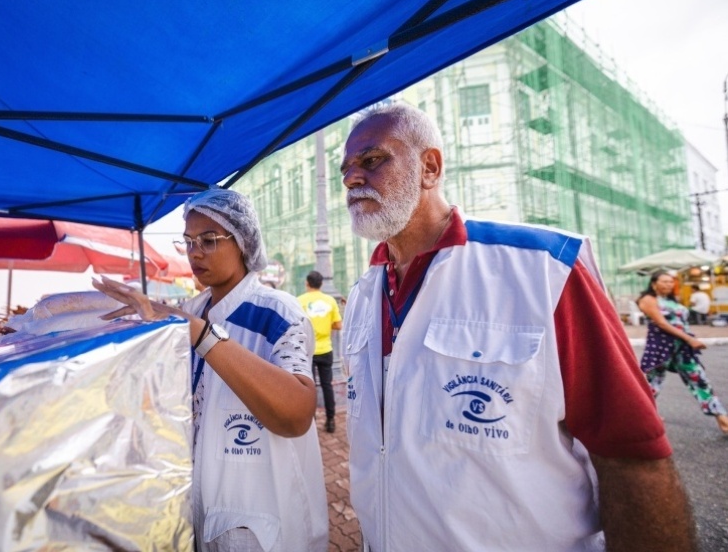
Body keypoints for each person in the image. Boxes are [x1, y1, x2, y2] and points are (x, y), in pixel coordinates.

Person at [339, 103, 697, 551]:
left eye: (372, 161)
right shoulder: (362, 294)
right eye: (346, 170)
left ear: (430, 167)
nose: (352, 179)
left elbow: (630, 455)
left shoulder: (544, 269)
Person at [93, 188, 328, 552]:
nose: (195, 252)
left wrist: (201, 335)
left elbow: (296, 415)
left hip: (261, 521)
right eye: (188, 241)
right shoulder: (192, 308)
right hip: (199, 510)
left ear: (243, 241)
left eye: (209, 240)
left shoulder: (278, 313)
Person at [638, 271, 728, 434]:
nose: (668, 284)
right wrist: (689, 339)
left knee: (700, 381)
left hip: (683, 349)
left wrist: (688, 339)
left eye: (671, 282)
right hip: (661, 348)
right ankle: (643, 419)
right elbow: (662, 323)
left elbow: (681, 322)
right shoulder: (648, 300)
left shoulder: (672, 301)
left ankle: (722, 418)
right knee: (651, 386)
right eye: (664, 281)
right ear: (654, 284)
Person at [297, 270, 342, 432]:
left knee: (309, 387)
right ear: (321, 284)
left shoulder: (300, 301)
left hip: (307, 352)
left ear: (307, 283)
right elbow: (338, 325)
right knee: (327, 385)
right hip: (326, 350)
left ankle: (312, 421)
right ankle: (331, 420)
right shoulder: (329, 300)